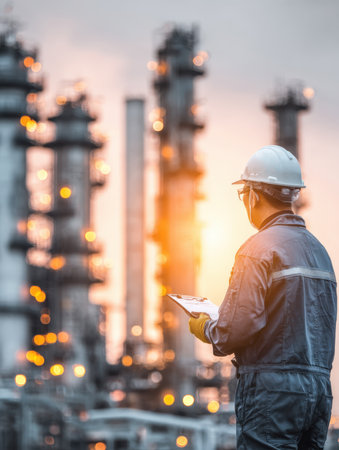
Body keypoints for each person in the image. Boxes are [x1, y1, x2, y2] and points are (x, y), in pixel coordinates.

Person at [189, 145, 337, 449]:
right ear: (293, 194)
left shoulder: (256, 249)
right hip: (319, 390)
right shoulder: (320, 253)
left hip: (272, 391)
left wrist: (205, 327)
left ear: (253, 194)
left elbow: (238, 327)